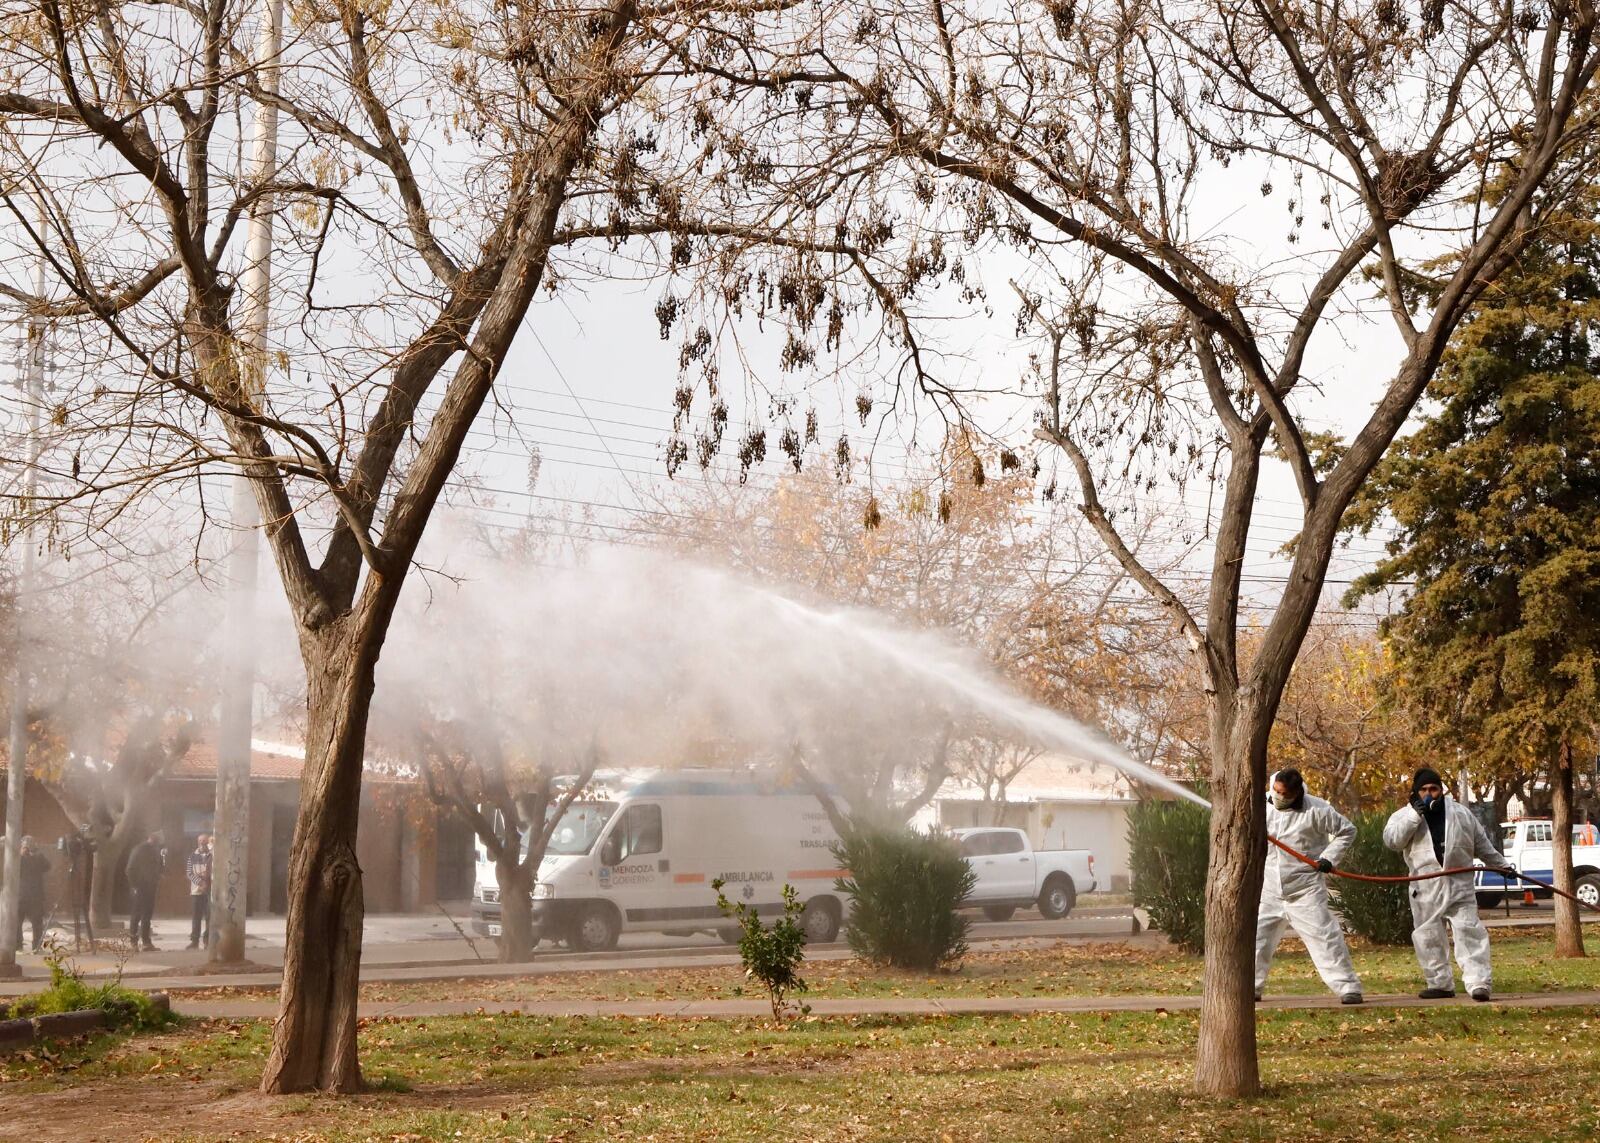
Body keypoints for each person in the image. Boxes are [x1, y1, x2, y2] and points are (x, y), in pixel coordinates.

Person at [1383, 767, 1513, 1002]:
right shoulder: (1404, 816)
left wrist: (1502, 866)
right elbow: (1392, 841)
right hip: (1424, 888)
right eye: (1423, 790)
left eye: (1434, 789)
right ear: (1415, 792)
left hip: (1459, 886)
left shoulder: (1461, 814)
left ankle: (1479, 983)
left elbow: (1482, 844)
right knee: (1428, 937)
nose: (1429, 794)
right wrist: (1415, 815)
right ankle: (1439, 984)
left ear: (1441, 790)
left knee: (1469, 932)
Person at [1255, 768, 1363, 1005]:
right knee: (1257, 940)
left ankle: (1347, 987)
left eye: (1284, 794)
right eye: (1275, 791)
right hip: (1269, 890)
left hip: (1305, 890)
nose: (1278, 797)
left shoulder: (1317, 809)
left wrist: (1329, 857)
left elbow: (1347, 831)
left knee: (1325, 938)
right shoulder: (1260, 805)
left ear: (1296, 793)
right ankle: (1250, 988)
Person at [125, 832, 166, 952]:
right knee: (136, 914)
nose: (158, 844)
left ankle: (146, 942)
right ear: (152, 839)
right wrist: (134, 885)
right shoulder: (139, 849)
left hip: (151, 887)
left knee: (147, 915)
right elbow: (129, 869)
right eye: (157, 841)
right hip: (139, 887)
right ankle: (133, 941)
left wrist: (159, 873)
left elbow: (159, 868)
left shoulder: (156, 851)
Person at [15, 836, 50, 953]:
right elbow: (13, 868)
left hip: (35, 895)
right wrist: (20, 854)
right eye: (26, 844)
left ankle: (37, 945)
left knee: (37, 922)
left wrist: (35, 853)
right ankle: (17, 945)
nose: (28, 846)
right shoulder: (18, 858)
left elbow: (47, 866)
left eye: (31, 843)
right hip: (21, 895)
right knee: (17, 921)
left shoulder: (38, 857)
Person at [186, 834, 212, 950]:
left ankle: (207, 940)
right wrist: (200, 883)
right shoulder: (192, 856)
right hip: (196, 891)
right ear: (197, 842)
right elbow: (189, 873)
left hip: (210, 891)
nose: (203, 843)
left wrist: (208, 883)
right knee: (196, 917)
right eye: (201, 841)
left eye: (205, 841)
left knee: (209, 917)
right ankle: (194, 941)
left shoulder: (212, 856)